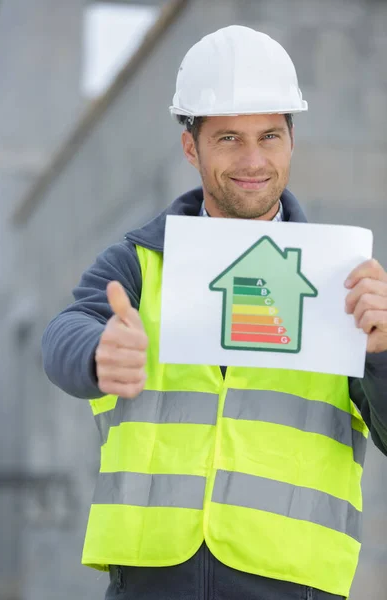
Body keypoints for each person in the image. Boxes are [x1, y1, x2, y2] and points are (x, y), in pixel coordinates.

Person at [42, 26, 387, 600]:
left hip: (292, 585)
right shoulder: (140, 262)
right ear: (191, 147)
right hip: (151, 581)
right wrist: (97, 352)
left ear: (292, 141)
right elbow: (62, 334)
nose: (254, 160)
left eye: (270, 136)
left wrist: (384, 355)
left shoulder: (342, 279)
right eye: (228, 138)